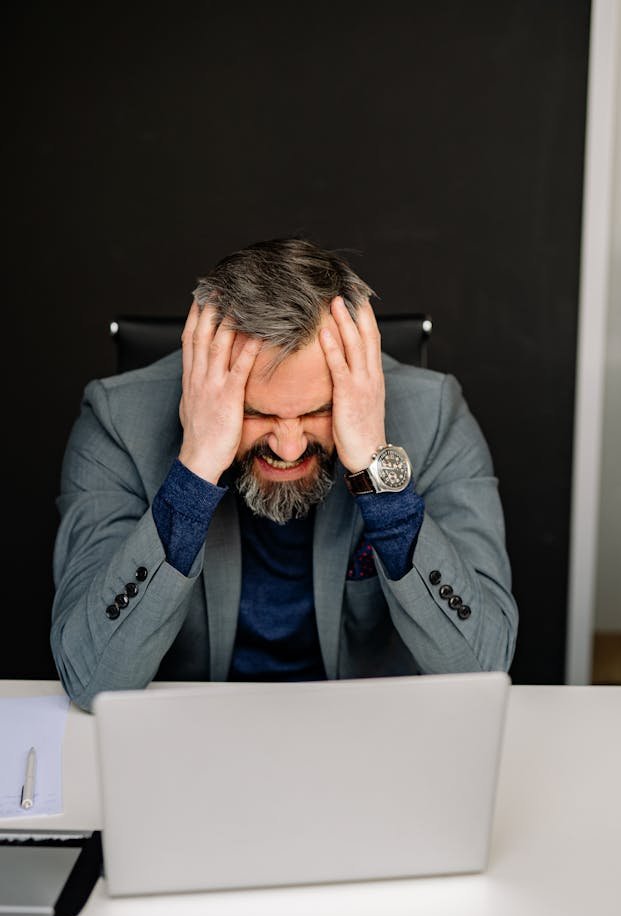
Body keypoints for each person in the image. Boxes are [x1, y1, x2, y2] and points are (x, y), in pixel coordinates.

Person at [51, 239, 518, 710]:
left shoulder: (435, 415)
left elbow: (481, 667)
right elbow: (92, 679)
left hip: (368, 740)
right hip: (191, 738)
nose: (288, 447)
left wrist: (380, 479)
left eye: (318, 411)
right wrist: (194, 470)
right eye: (258, 413)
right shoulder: (116, 420)